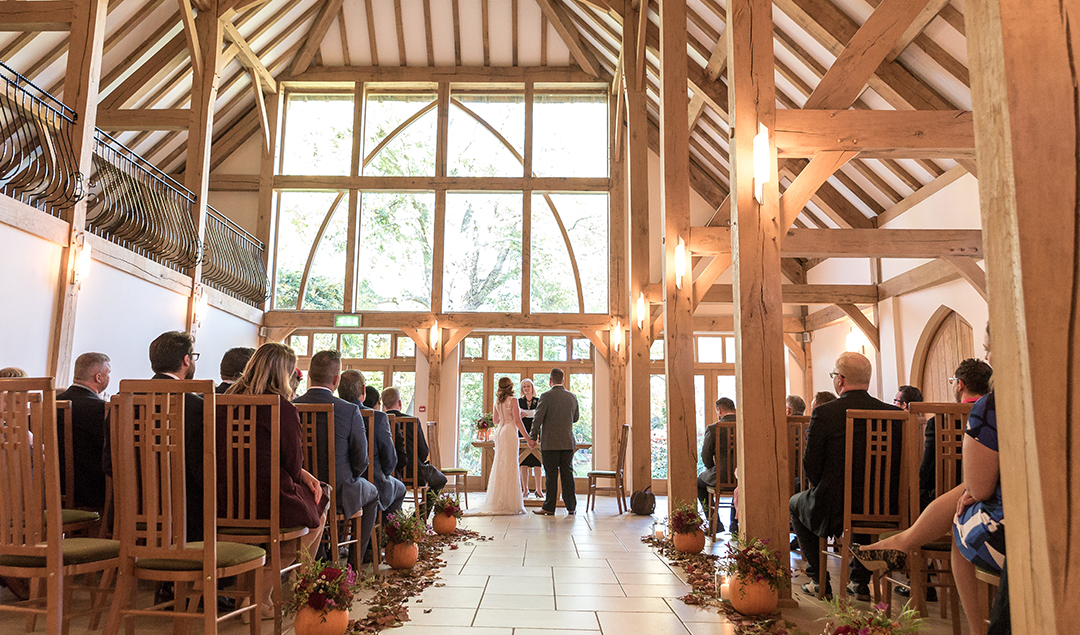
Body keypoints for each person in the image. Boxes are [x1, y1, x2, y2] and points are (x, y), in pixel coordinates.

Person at [855, 325, 1002, 635]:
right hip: (1000, 497)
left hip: (993, 516)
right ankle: (902, 543)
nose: (988, 355)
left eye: (989, 348)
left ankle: (903, 543)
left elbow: (928, 474)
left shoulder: (958, 417)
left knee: (958, 513)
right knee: (962, 497)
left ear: (959, 385)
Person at [217, 343, 329, 619]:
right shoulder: (281, 407)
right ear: (283, 373)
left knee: (312, 497)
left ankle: (257, 594)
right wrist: (302, 473)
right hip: (268, 499)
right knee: (319, 503)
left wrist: (303, 473)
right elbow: (291, 465)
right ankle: (264, 596)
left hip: (223, 499)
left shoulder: (221, 403)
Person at [790, 351, 902, 600]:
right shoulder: (894, 415)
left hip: (835, 506)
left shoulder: (826, 413)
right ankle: (859, 582)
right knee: (863, 502)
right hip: (886, 505)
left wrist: (820, 487)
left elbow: (811, 464)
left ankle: (819, 580)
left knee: (795, 504)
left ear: (840, 379)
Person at [292, 352, 381, 561]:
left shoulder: (292, 406)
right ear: (335, 380)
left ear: (310, 375)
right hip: (340, 491)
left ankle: (321, 557)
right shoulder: (349, 410)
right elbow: (361, 459)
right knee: (373, 493)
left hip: (303, 490)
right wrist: (352, 476)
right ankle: (353, 563)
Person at [920, 358, 992, 509]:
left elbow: (926, 474)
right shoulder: (995, 417)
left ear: (960, 385)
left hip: (943, 500)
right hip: (988, 498)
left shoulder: (940, 421)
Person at [338, 370, 405, 516]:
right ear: (363, 390)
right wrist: (384, 474)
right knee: (400, 488)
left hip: (336, 483)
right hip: (373, 482)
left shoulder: (334, 413)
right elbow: (390, 460)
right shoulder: (378, 417)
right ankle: (383, 535)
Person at [468, 377, 529, 516]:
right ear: (511, 386)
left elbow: (495, 420)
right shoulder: (513, 400)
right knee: (511, 465)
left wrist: (510, 417)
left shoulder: (498, 401)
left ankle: (498, 500)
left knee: (500, 464)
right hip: (509, 432)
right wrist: (528, 438)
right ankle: (511, 503)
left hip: (500, 432)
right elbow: (518, 422)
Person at [57, 352, 111, 510]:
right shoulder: (100, 409)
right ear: (98, 377)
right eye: (109, 373)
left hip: (52, 486)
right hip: (91, 490)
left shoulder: (51, 403)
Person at [530, 368, 580, 516]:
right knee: (567, 474)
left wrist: (533, 436)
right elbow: (575, 418)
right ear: (563, 380)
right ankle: (571, 507)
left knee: (551, 475)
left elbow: (537, 419)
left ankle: (549, 507)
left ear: (550, 381)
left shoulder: (546, 396)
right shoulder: (572, 397)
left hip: (550, 443)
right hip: (567, 442)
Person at [384, 386, 446, 493]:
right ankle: (423, 510)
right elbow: (423, 451)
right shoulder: (412, 421)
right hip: (413, 472)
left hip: (386, 473)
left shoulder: (379, 420)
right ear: (399, 403)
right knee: (441, 479)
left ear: (383, 404)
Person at [698, 398, 737, 532]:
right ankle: (735, 523)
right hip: (743, 476)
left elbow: (706, 455)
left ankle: (715, 523)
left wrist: (710, 468)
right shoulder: (745, 426)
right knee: (739, 486)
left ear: (719, 410)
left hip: (721, 475)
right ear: (734, 409)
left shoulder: (713, 428)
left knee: (698, 483)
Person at [517, 378, 543, 500]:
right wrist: (519, 416)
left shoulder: (538, 401)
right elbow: (514, 417)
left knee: (538, 463)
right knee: (523, 463)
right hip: (522, 432)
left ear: (532, 387)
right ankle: (525, 489)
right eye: (524, 387)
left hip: (536, 432)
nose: (526, 389)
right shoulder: (518, 401)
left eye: (528, 386)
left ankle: (539, 489)